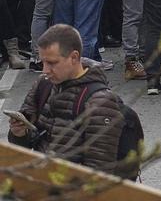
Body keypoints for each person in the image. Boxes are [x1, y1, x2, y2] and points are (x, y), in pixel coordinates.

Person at [7, 24, 129, 176]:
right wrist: (19, 133)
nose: (45, 70)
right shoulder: (43, 84)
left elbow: (98, 173)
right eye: (42, 62)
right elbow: (25, 144)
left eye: (52, 63)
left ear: (74, 57)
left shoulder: (100, 102)